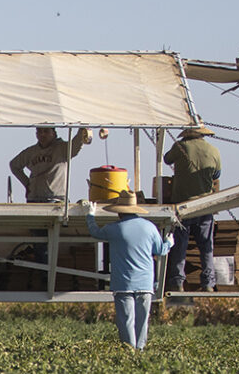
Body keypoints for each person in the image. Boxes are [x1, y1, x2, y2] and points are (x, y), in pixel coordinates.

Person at [82, 191, 172, 351]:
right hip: (145, 283)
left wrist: (90, 215)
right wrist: (169, 242)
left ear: (119, 212)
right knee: (142, 321)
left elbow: (95, 232)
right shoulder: (150, 227)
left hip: (123, 284)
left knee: (126, 320)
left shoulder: (114, 229)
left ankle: (129, 351)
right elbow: (160, 250)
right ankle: (140, 350)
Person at [164, 125, 224, 290]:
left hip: (182, 206)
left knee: (180, 246)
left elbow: (167, 159)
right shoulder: (213, 150)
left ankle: (177, 282)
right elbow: (216, 175)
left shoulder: (180, 146)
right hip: (205, 205)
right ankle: (208, 283)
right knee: (206, 247)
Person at [9, 126, 92, 202]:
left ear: (54, 133)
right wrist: (27, 184)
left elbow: (76, 144)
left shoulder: (62, 148)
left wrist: (82, 129)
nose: (42, 134)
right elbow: (14, 165)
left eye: (46, 131)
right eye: (39, 131)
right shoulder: (31, 152)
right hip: (34, 199)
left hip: (55, 199)